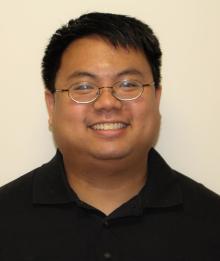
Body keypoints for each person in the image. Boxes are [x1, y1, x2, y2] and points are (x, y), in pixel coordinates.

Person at [0, 12, 219, 260]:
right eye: (83, 86)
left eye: (128, 84)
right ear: (51, 106)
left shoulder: (211, 221)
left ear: (156, 99)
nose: (107, 102)